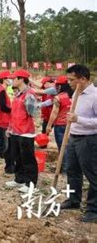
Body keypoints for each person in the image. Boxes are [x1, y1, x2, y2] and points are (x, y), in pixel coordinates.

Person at [60, 64, 97, 223]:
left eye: (72, 79)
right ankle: (73, 200)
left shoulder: (95, 96)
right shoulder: (76, 92)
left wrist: (78, 119)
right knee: (72, 170)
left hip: (88, 139)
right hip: (73, 137)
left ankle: (93, 209)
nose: (69, 82)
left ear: (83, 79)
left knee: (92, 173)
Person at [5, 69, 38, 194]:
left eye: (14, 79)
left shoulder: (29, 95)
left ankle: (31, 183)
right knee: (17, 157)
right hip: (15, 131)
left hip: (25, 132)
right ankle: (19, 179)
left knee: (28, 158)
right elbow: (14, 114)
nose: (12, 81)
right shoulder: (18, 95)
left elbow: (33, 112)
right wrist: (10, 128)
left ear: (21, 79)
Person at [45, 75, 73, 172]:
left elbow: (54, 113)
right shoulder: (75, 96)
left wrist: (49, 125)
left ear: (60, 86)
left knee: (62, 148)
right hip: (72, 125)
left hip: (60, 125)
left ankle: (65, 169)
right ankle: (67, 167)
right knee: (70, 147)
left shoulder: (59, 97)